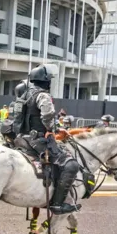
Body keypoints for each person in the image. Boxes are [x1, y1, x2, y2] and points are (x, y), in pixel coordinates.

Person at [14, 64, 81, 215]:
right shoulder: (42, 95)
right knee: (71, 165)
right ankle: (57, 204)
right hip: (38, 140)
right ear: (45, 81)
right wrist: (53, 130)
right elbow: (48, 116)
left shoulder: (24, 94)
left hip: (22, 139)